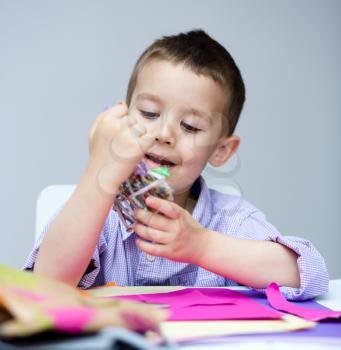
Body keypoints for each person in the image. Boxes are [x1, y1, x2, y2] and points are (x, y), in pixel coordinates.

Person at [24, 29, 328, 300]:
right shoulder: (97, 215)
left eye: (190, 126)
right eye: (149, 113)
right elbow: (45, 287)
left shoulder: (230, 220)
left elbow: (309, 274)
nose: (165, 134)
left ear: (221, 150)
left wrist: (202, 246)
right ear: (121, 119)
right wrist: (98, 173)